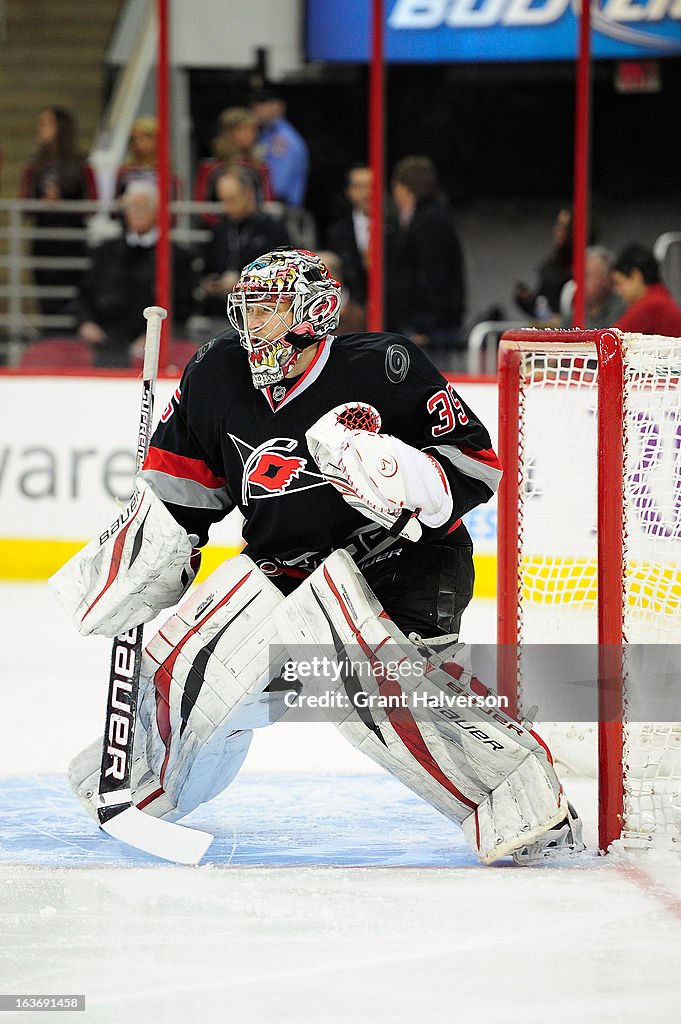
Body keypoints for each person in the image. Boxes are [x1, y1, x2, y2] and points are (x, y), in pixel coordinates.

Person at [51, 247, 584, 868]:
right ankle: (143, 782)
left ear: (312, 312)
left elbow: (476, 468)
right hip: (287, 574)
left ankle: (520, 797)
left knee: (369, 684)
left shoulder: (386, 368)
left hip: (400, 569)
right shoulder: (216, 372)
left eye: (269, 311)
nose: (252, 328)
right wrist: (140, 559)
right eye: (246, 311)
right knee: (188, 662)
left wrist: (406, 476)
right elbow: (181, 495)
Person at [73, 181, 197, 367]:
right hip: (106, 343)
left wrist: (156, 335)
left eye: (144, 206)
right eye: (132, 206)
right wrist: (86, 322)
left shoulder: (176, 256)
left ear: (157, 211)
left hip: (154, 348)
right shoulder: (105, 251)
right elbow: (84, 294)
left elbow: (184, 305)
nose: (137, 212)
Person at [20, 106, 97, 321]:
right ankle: (49, 335)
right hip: (44, 238)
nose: (40, 128)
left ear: (61, 128)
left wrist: (63, 204)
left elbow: (93, 204)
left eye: (46, 123)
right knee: (46, 293)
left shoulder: (81, 163)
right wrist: (43, 203)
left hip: (72, 239)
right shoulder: (35, 164)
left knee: (72, 292)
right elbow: (25, 205)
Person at [386, 156, 466, 364]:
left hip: (429, 330)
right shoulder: (423, 218)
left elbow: (433, 276)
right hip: (423, 325)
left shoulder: (429, 221)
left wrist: (424, 327)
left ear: (405, 187)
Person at [199, 167, 290, 319]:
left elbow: (283, 274)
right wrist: (211, 283)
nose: (227, 207)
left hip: (260, 311)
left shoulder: (273, 230)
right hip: (220, 311)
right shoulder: (220, 230)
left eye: (232, 199)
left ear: (248, 193)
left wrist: (243, 282)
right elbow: (207, 268)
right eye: (223, 200)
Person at [194, 106, 272, 222]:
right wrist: (221, 229)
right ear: (230, 133)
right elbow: (201, 207)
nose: (252, 134)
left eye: (254, 130)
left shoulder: (259, 167)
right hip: (217, 232)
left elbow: (267, 202)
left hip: (253, 231)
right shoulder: (210, 167)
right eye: (246, 129)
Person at [251, 90, 309, 207]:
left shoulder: (284, 138)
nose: (257, 108)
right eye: (256, 104)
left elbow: (278, 188)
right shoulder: (265, 135)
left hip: (281, 208)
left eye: (264, 103)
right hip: (268, 206)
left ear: (278, 106)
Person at [514, 207, 573, 321]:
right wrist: (529, 300)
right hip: (551, 330)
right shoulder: (552, 264)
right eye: (558, 226)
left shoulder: (587, 266)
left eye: (564, 227)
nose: (557, 231)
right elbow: (544, 304)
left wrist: (563, 320)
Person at [611, 244, 681, 336]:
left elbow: (609, 337)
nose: (617, 290)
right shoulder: (660, 297)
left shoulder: (651, 304)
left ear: (636, 276)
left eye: (619, 283)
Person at [114, 116, 183, 202]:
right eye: (134, 139)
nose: (137, 144)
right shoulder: (125, 172)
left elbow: (173, 203)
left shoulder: (168, 174)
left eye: (142, 138)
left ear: (156, 140)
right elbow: (116, 201)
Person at [561, 245, 626, 329]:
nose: (579, 283)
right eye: (577, 277)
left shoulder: (623, 312)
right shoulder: (574, 315)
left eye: (586, 276)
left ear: (607, 279)